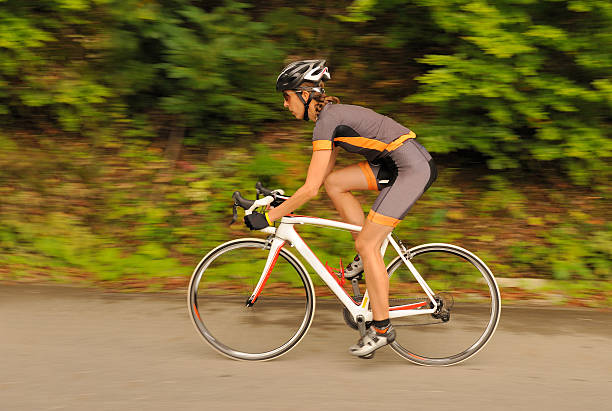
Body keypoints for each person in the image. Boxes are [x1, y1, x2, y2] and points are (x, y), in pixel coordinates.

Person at [244, 59, 437, 357]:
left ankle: (382, 328)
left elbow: (309, 190)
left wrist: (269, 216)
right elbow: (319, 182)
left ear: (304, 94)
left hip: (411, 168)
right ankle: (365, 255)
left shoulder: (326, 123)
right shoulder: (328, 121)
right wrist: (282, 202)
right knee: (336, 183)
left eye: (286, 97)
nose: (285, 105)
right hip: (395, 163)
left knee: (367, 243)